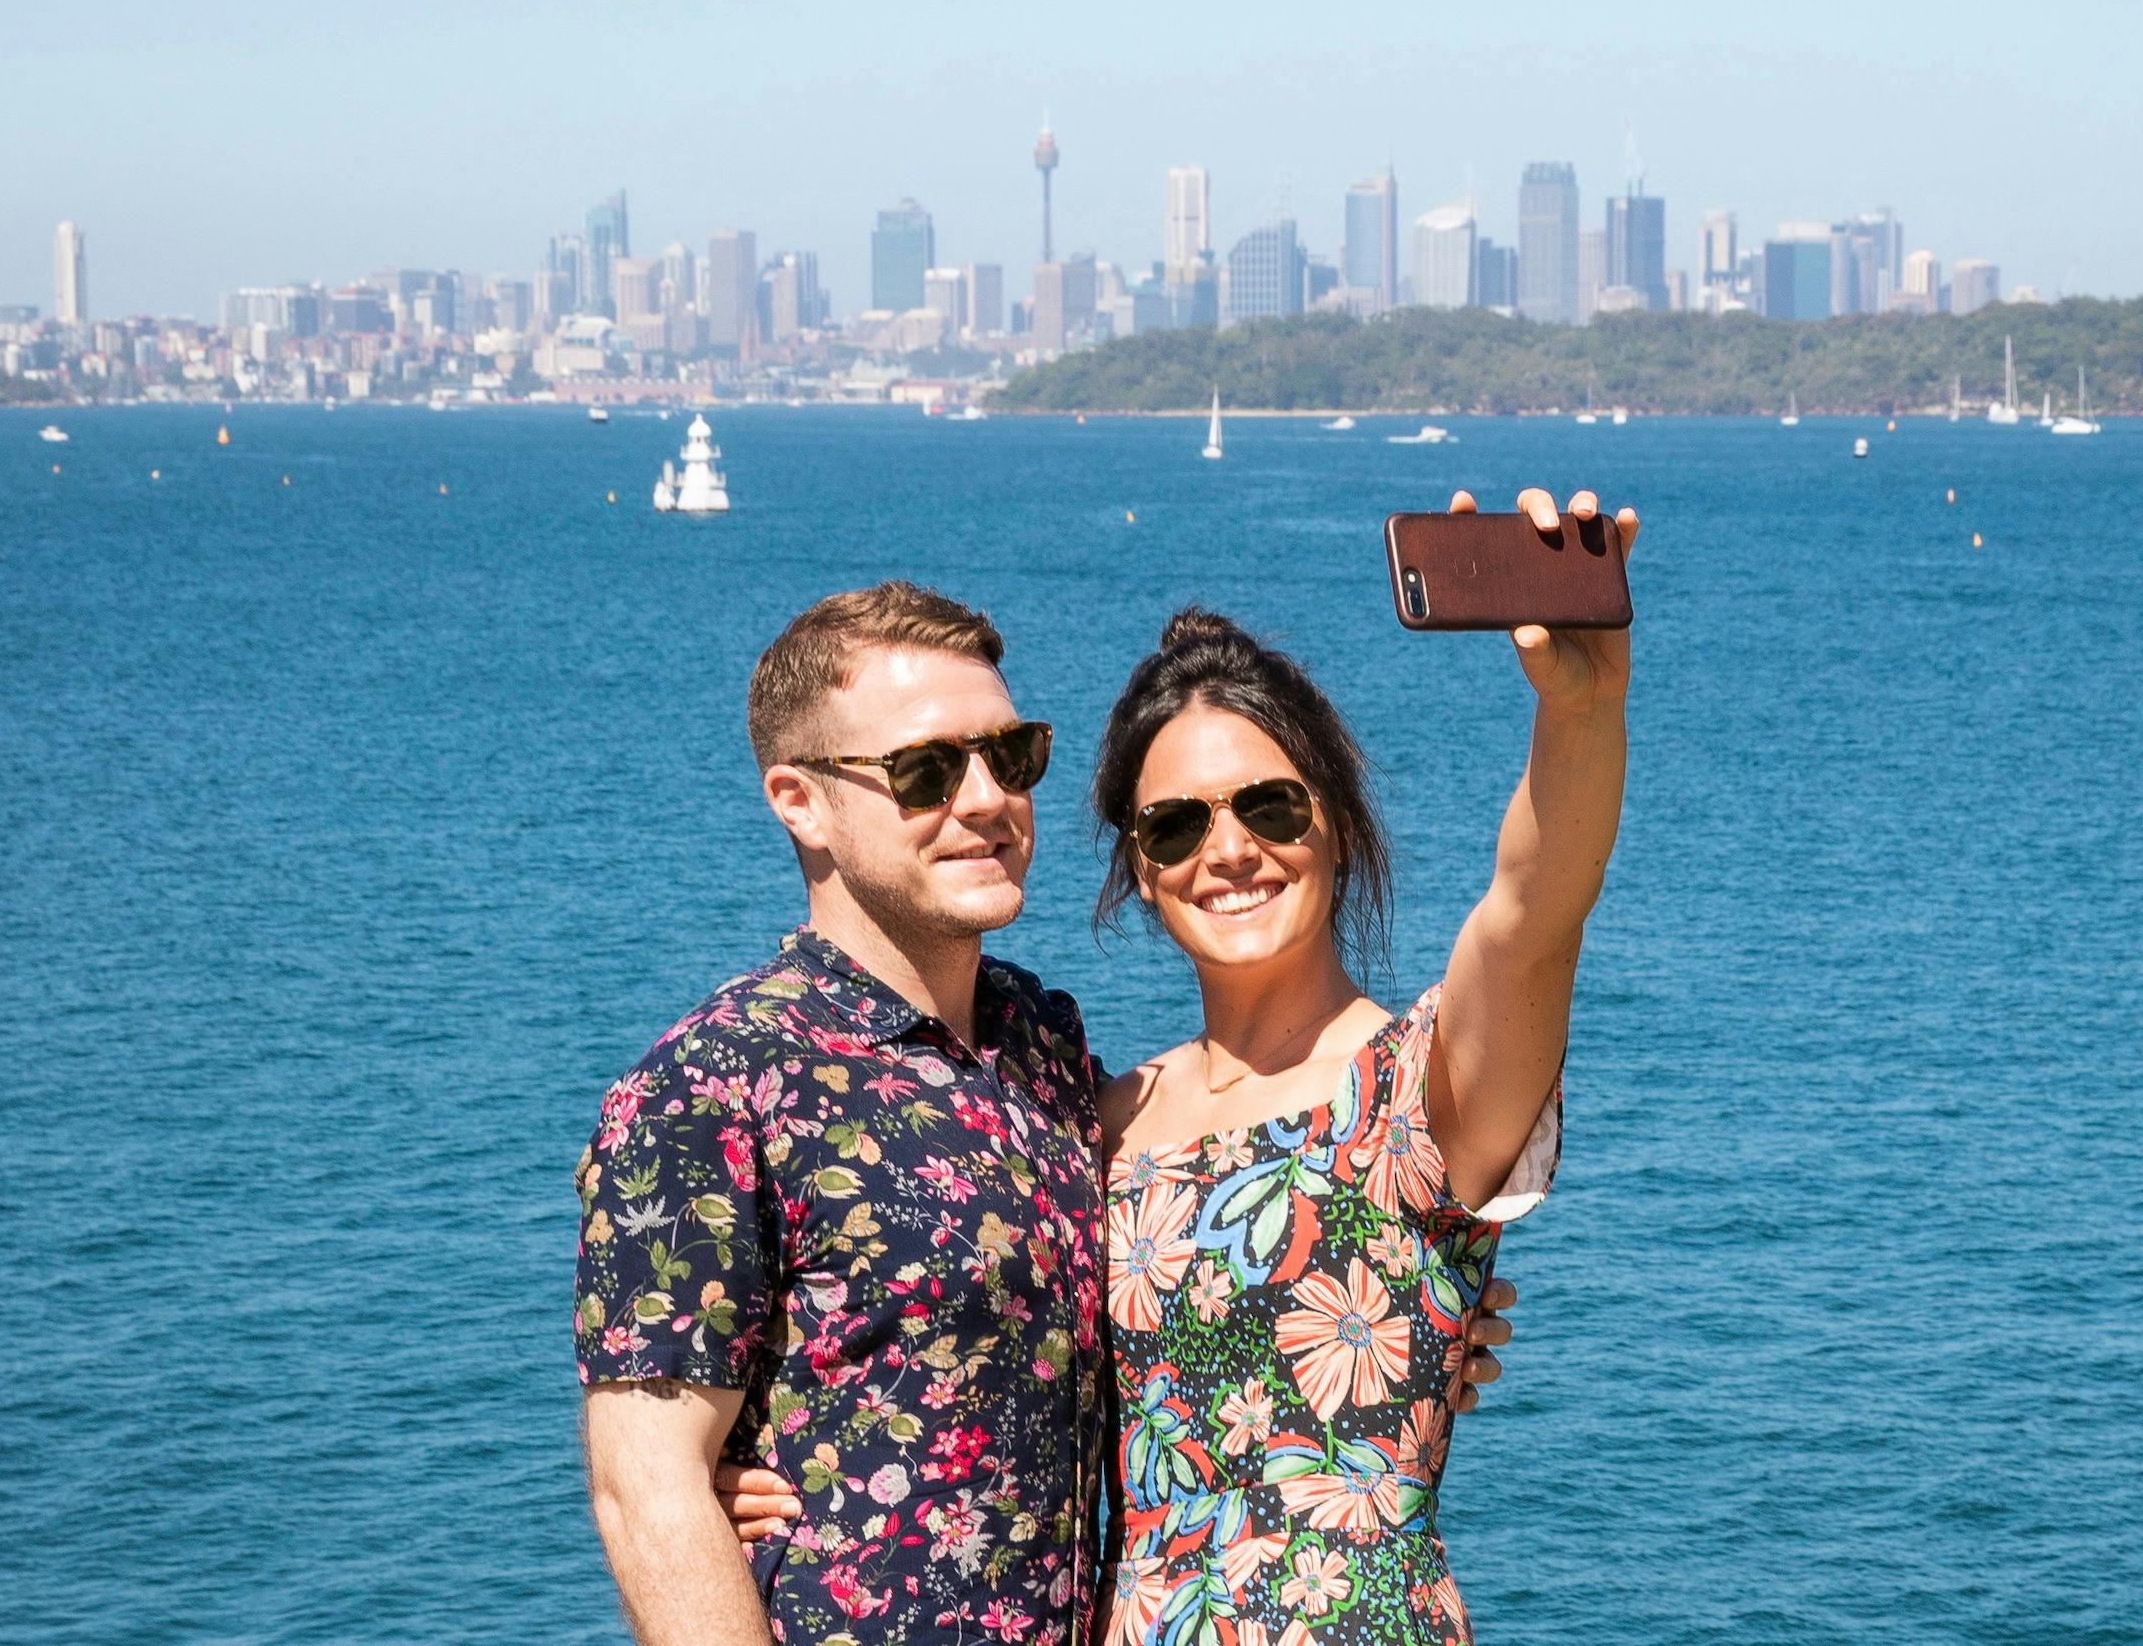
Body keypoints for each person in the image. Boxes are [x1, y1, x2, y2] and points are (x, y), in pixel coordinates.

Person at [579, 580, 1518, 1646]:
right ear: (799, 800)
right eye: (927, 770)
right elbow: (646, 1493)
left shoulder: (1042, 1049)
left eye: (1010, 756)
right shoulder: (714, 1084)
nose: (986, 798)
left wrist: (1418, 1299)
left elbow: (1192, 1257)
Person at [1088, 487, 1634, 1645]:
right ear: (1141, 869)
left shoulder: (1419, 1090)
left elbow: (1534, 910)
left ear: (1332, 819)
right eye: (1176, 826)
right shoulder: (1101, 1121)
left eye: (1269, 807)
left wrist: (1582, 711)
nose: (1228, 850)